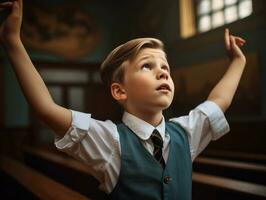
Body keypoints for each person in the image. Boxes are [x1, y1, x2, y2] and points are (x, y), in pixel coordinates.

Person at [0, 0, 246, 199]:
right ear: (119, 91)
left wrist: (238, 61)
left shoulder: (187, 132)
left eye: (166, 68)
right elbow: (46, 108)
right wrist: (13, 41)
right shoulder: (110, 141)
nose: (163, 72)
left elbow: (219, 100)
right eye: (147, 66)